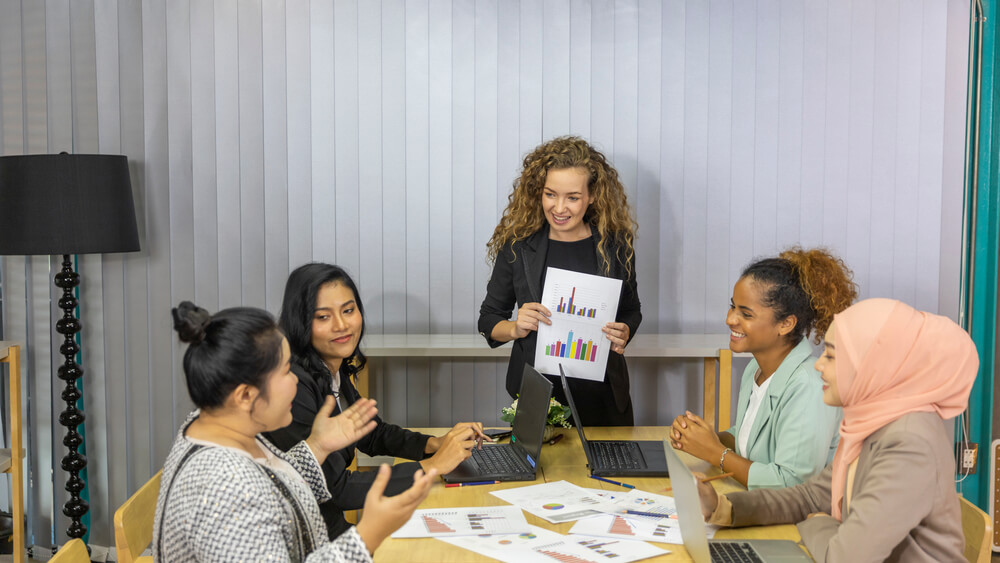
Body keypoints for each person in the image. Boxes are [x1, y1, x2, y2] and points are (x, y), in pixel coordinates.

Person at [696, 298, 977, 562]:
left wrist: (817, 523)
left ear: (870, 367)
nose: (818, 365)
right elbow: (810, 497)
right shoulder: (870, 422)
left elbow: (845, 557)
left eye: (830, 356)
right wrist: (723, 507)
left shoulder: (908, 443)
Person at [154, 302, 436, 562]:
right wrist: (367, 537)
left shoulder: (214, 425)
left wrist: (317, 447)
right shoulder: (227, 489)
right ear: (245, 395)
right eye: (287, 372)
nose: (296, 383)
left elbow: (273, 483)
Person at [265, 263, 489, 538]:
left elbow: (370, 433)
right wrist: (432, 467)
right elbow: (337, 490)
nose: (341, 325)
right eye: (323, 317)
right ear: (301, 322)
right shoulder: (293, 388)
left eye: (348, 310)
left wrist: (433, 444)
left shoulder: (330, 366)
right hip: (308, 536)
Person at [478, 136, 641, 426]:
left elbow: (631, 310)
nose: (559, 208)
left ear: (592, 196)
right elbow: (489, 320)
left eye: (573, 197)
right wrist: (516, 327)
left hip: (604, 399)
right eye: (550, 194)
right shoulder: (517, 247)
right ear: (538, 192)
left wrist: (625, 330)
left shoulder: (616, 247)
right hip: (537, 399)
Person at [671, 248, 855, 488]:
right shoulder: (754, 369)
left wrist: (715, 452)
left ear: (786, 324)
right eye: (732, 306)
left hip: (800, 518)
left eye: (746, 314)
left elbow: (791, 483)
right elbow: (752, 437)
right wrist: (706, 438)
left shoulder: (810, 386)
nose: (730, 319)